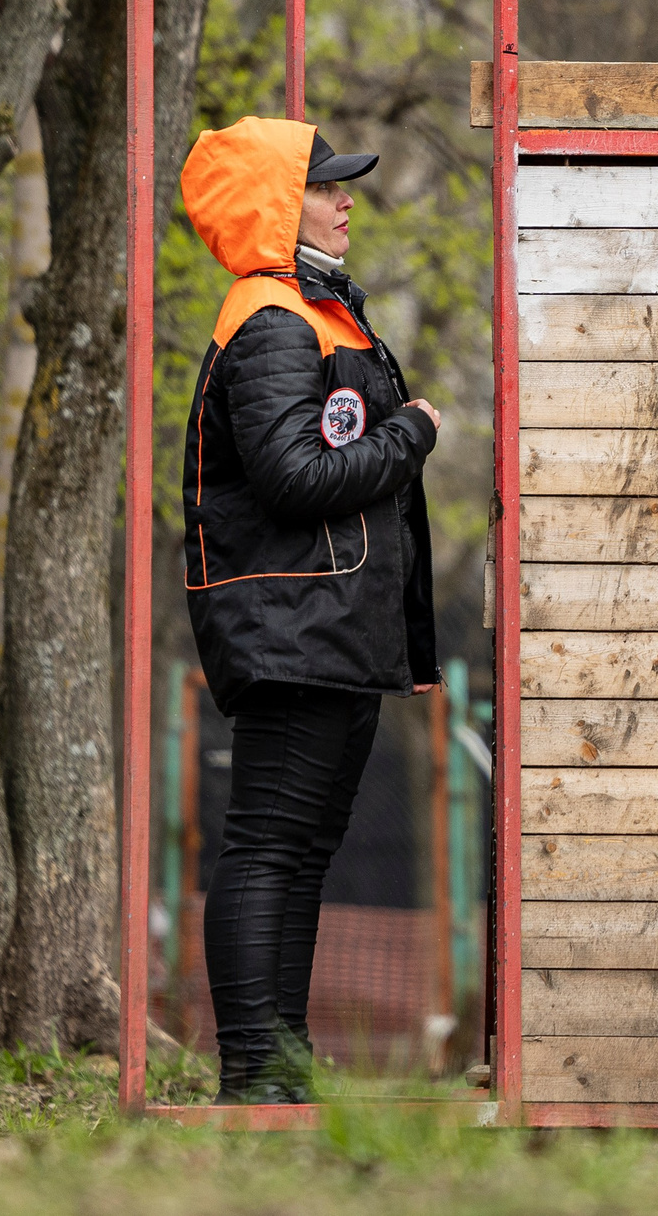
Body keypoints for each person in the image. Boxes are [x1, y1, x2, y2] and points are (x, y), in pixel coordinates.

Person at [176, 115, 442, 1104]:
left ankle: (279, 1063)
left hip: (328, 626)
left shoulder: (313, 311)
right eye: (327, 188)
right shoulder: (273, 321)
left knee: (299, 851)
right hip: (289, 627)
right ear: (274, 207)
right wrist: (412, 433)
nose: (347, 202)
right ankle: (252, 1070)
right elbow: (294, 475)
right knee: (269, 847)